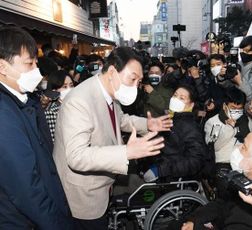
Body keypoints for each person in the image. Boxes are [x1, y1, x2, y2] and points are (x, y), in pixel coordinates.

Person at [53, 47, 173, 229]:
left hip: (103, 186)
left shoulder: (108, 92)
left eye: (139, 81)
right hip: (84, 197)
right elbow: (76, 156)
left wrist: (147, 125)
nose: (135, 86)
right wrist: (126, 152)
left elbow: (120, 119)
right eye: (132, 79)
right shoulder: (80, 101)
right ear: (112, 72)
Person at [0, 26, 73, 229]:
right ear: (3, 67)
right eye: (28, 64)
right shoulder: (4, 111)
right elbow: (26, 186)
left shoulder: (25, 100)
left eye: (35, 63)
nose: (36, 71)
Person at [170, 125, 252, 230]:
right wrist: (195, 220)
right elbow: (224, 203)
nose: (237, 147)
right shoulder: (250, 181)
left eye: (244, 147)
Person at [143, 85, 212, 182]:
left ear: (191, 105)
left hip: (174, 180)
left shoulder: (190, 127)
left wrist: (161, 170)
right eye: (175, 95)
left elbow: (196, 161)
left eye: (182, 98)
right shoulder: (171, 119)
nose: (176, 99)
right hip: (161, 171)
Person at [232, 35, 252, 102]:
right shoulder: (238, 65)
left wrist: (240, 82)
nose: (243, 53)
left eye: (247, 51)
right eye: (242, 50)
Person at [44, 70, 74, 141]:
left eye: (71, 85)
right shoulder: (52, 112)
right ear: (54, 90)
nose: (69, 89)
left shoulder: (77, 105)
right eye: (65, 86)